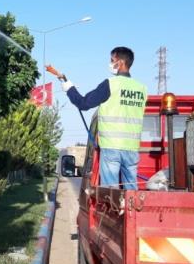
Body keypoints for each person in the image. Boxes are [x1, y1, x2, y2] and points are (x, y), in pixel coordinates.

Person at [57, 47, 147, 189]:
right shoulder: (141, 88)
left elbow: (83, 103)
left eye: (112, 60)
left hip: (112, 147)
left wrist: (69, 88)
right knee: (131, 194)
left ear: (121, 62)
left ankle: (113, 211)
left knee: (110, 192)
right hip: (132, 149)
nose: (110, 63)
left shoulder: (111, 84)